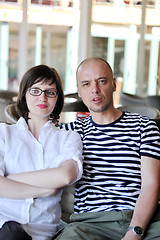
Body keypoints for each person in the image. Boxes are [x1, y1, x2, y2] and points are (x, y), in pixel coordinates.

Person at [52, 57, 160, 240]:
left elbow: (151, 184)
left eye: (101, 81)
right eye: (86, 84)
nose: (95, 89)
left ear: (114, 84)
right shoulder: (70, 132)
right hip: (90, 224)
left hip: (142, 221)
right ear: (79, 91)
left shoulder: (144, 126)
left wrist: (134, 232)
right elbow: (29, 132)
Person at [0, 65, 83, 240]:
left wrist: (9, 179)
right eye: (35, 90)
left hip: (42, 230)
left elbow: (66, 176)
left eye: (50, 92)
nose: (42, 97)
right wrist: (44, 191)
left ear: (58, 98)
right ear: (24, 94)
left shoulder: (68, 137)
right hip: (3, 223)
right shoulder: (3, 134)